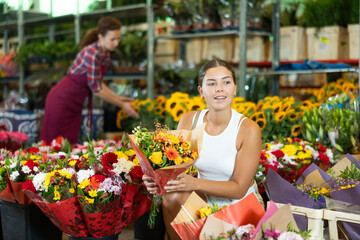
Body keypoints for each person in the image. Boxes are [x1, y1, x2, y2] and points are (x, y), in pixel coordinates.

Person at [143, 58, 264, 240]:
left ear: (235, 88)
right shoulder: (189, 120)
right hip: (203, 199)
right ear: (201, 91)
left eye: (226, 82)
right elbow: (174, 166)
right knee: (171, 196)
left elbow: (239, 189)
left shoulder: (248, 129)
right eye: (211, 83)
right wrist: (156, 178)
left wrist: (195, 183)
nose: (219, 89)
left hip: (239, 204)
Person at [40, 16, 139, 144]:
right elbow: (96, 89)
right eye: (112, 39)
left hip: (75, 103)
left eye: (118, 39)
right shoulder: (92, 53)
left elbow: (98, 82)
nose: (116, 43)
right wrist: (121, 105)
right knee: (54, 144)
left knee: (68, 144)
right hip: (62, 101)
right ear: (100, 37)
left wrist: (119, 98)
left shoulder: (105, 53)